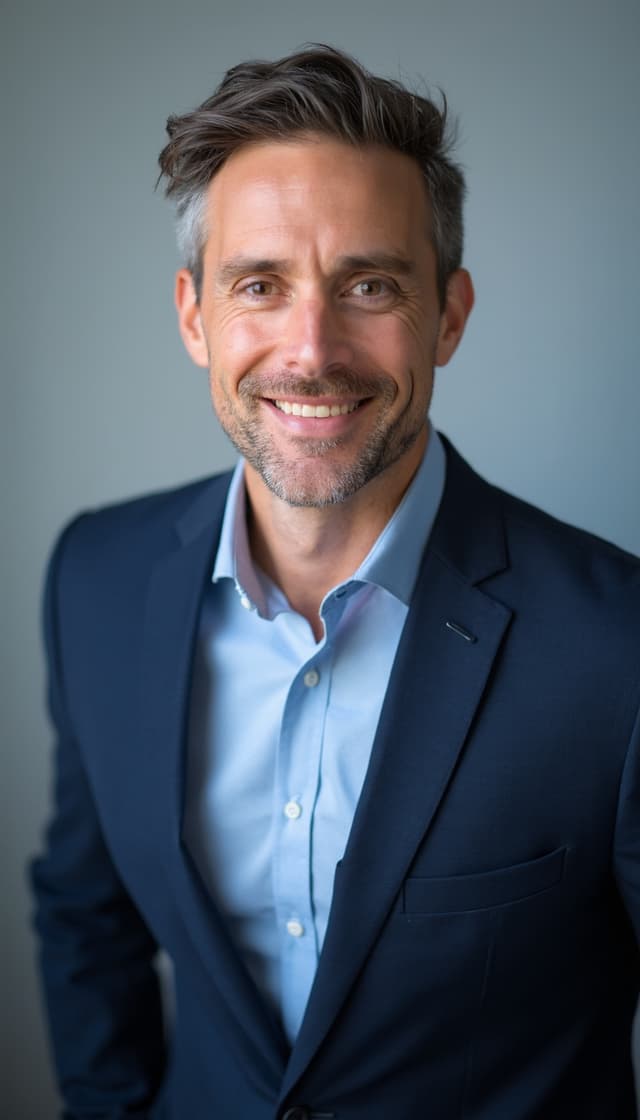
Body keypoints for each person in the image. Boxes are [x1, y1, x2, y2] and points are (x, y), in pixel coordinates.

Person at [31, 44, 640, 1120]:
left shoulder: (618, 642)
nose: (310, 351)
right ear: (193, 315)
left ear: (448, 315)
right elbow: (86, 914)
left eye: (369, 284)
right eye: (258, 285)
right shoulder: (96, 581)